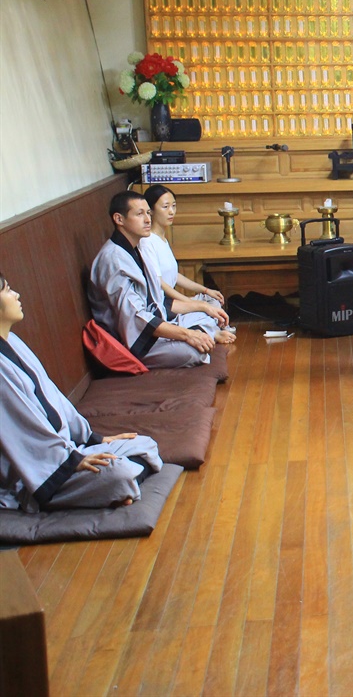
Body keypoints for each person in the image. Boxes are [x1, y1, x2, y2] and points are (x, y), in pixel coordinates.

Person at [0, 271, 162, 512]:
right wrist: (72, 462)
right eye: (6, 290)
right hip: (36, 471)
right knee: (118, 474)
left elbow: (53, 397)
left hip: (65, 451)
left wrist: (94, 439)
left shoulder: (13, 341)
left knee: (144, 444)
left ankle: (111, 490)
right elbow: (22, 432)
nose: (16, 294)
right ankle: (113, 487)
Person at [88, 191, 220, 368]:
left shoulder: (137, 248)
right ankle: (202, 335)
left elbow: (158, 300)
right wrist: (187, 335)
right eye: (139, 214)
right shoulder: (114, 260)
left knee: (208, 314)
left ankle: (204, 334)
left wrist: (203, 307)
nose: (148, 220)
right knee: (191, 351)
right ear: (119, 219)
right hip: (132, 341)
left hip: (156, 323)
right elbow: (137, 317)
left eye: (148, 213)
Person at [141, 185, 235, 345]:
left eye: (174, 206)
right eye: (165, 207)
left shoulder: (162, 238)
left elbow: (173, 275)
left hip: (174, 301)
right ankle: (211, 332)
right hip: (164, 303)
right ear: (150, 210)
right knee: (204, 308)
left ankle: (210, 327)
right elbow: (159, 283)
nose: (171, 211)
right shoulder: (147, 241)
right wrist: (191, 302)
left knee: (213, 300)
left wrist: (205, 290)